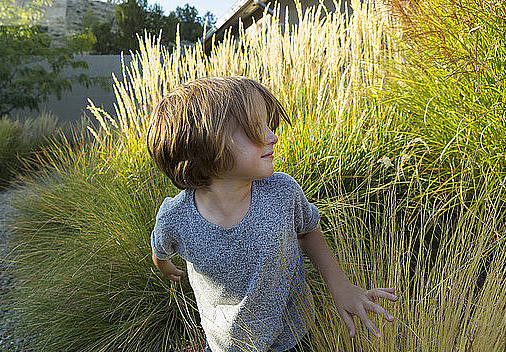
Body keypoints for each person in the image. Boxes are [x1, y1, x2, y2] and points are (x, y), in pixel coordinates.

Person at [147, 76, 397, 352]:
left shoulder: (281, 192)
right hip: (224, 344)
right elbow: (160, 247)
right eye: (255, 129)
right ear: (205, 145)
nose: (271, 136)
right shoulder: (176, 217)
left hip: (294, 337)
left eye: (267, 125)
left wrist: (341, 286)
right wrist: (165, 266)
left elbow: (308, 231)